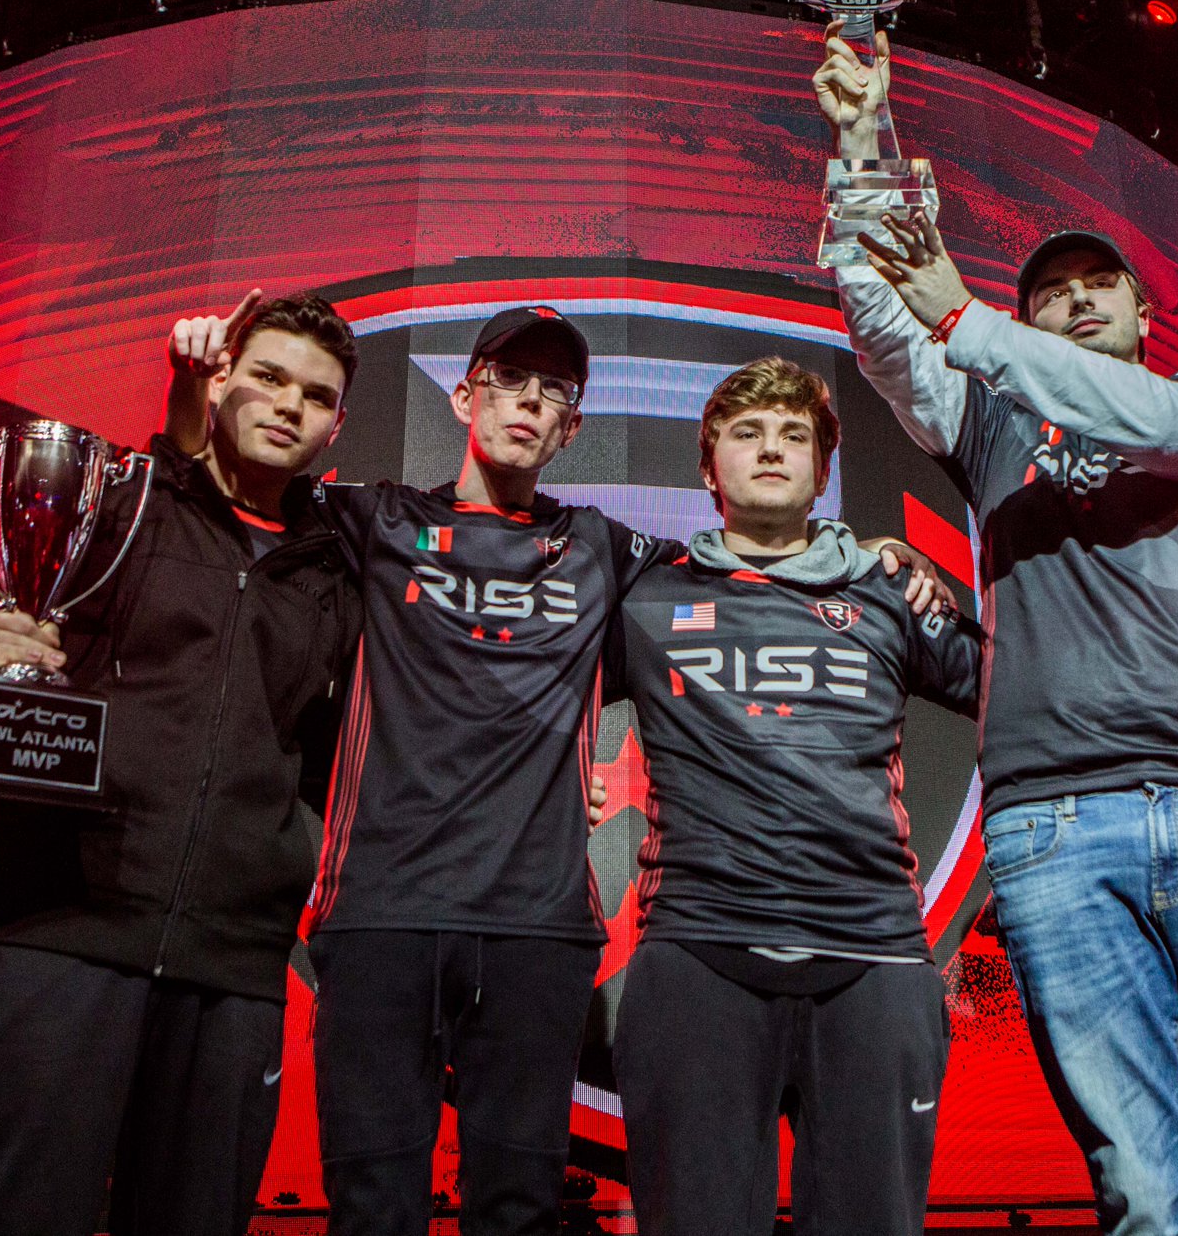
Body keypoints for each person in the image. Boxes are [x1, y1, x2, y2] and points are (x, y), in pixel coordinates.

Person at [161, 300, 946, 1236]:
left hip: (536, 930)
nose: (528, 401)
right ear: (465, 396)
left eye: (553, 391)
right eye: (508, 380)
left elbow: (753, 565)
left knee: (517, 1212)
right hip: (380, 916)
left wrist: (869, 554)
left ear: (571, 429)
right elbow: (226, 496)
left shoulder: (608, 551)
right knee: (372, 1210)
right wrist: (192, 398)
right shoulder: (374, 520)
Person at [811, 23, 1178, 1235]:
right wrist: (861, 138)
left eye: (1097, 288)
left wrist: (972, 321)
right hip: (1053, 826)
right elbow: (881, 325)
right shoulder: (989, 425)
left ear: (1140, 311)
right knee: (1141, 1197)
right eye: (1050, 293)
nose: (1075, 302)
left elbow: (1144, 419)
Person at [0, 294, 363, 1236]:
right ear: (220, 380)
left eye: (316, 395)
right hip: (58, 931)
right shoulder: (110, 501)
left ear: (337, 424)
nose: (289, 405)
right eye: (268, 377)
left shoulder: (337, 571)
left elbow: (329, 756)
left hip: (232, 966)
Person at [606, 357, 981, 1236]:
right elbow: (515, 685)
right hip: (698, 954)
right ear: (708, 468)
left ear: (821, 470)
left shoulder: (890, 591)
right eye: (747, 433)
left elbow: (1027, 684)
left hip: (873, 959)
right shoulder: (646, 595)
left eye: (793, 435)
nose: (771, 449)